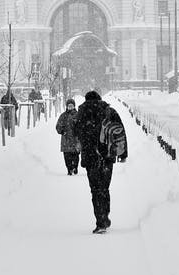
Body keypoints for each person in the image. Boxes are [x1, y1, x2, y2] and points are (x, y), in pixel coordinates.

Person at [74, 90, 128, 234]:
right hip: (107, 156)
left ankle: (101, 221)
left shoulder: (82, 112)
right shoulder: (108, 111)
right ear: (100, 98)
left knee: (95, 190)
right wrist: (123, 154)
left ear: (86, 100)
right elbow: (120, 131)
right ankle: (105, 216)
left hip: (90, 156)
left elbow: (75, 132)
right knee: (104, 188)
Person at [55, 98, 80, 175]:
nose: (70, 107)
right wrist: (61, 131)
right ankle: (69, 169)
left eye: (71, 106)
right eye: (69, 106)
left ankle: (75, 167)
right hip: (65, 140)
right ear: (66, 106)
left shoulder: (78, 115)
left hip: (75, 139)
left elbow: (81, 125)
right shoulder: (63, 116)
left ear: (74, 106)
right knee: (67, 156)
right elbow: (58, 126)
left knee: (76, 155)